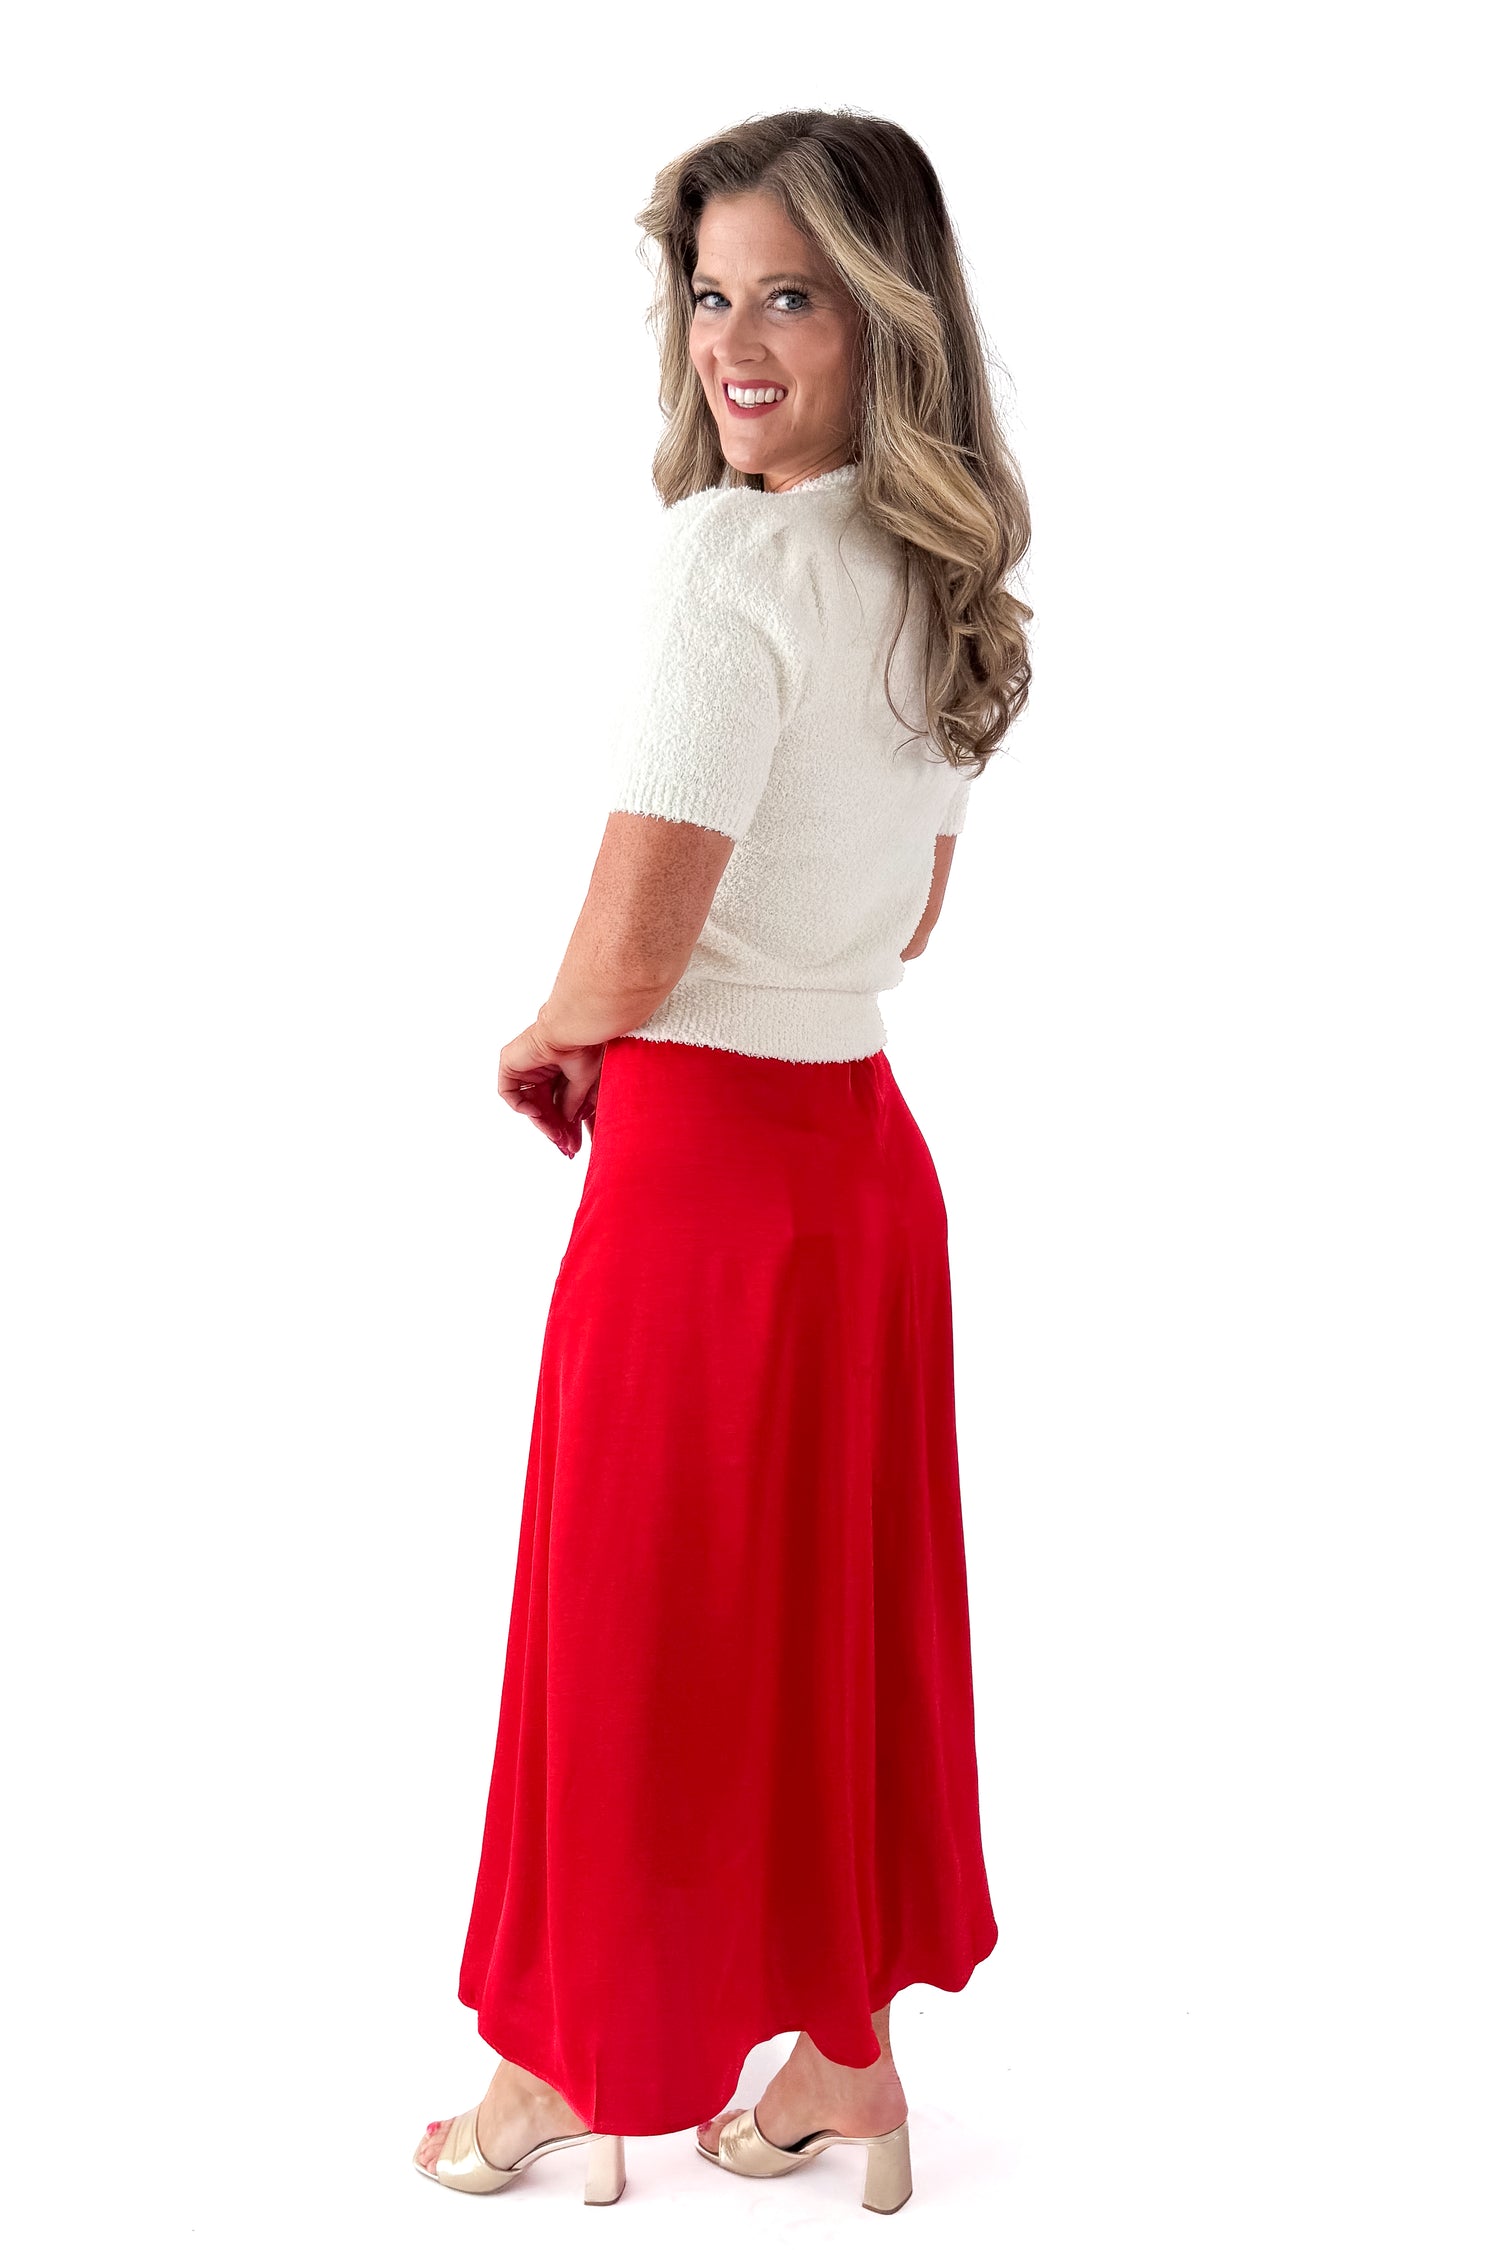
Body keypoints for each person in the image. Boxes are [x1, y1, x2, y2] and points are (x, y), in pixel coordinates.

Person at [413, 106, 1033, 2213]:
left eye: (791, 296)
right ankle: (841, 2072)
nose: (738, 344)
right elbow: (915, 914)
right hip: (862, 1168)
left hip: (696, 1173)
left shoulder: (729, 556)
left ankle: (555, 2085)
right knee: (816, 1637)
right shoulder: (934, 569)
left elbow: (650, 895)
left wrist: (556, 1025)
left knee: (628, 1629)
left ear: (884, 319)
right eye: (710, 293)